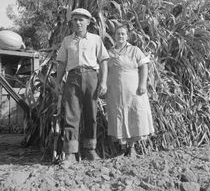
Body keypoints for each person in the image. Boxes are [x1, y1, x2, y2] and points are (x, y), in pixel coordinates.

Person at [56, 8, 109, 166]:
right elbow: (61, 63)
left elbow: (104, 61)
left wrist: (103, 82)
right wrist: (58, 82)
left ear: (88, 22)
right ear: (71, 22)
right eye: (75, 20)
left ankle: (90, 150)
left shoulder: (96, 39)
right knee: (71, 115)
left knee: (91, 114)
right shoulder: (67, 41)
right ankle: (70, 153)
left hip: (91, 77)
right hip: (72, 78)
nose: (78, 22)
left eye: (81, 20)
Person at [106, 25, 154, 157]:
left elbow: (144, 66)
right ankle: (122, 148)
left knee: (134, 114)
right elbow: (104, 70)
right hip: (115, 91)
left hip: (133, 90)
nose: (120, 36)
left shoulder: (134, 50)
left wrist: (142, 84)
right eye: (118, 34)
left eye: (123, 34)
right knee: (119, 115)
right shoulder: (109, 53)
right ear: (114, 36)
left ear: (127, 36)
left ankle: (132, 148)